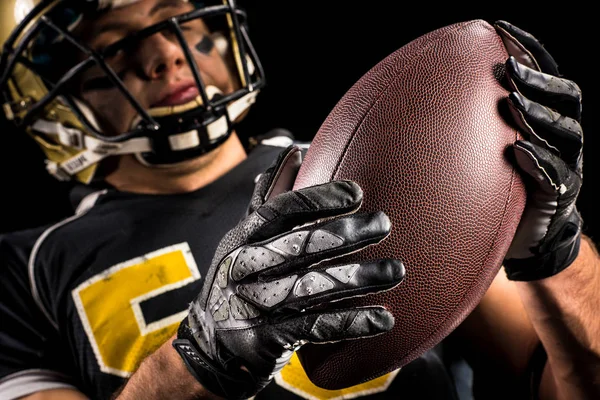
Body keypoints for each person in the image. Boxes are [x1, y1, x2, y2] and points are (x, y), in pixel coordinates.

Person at [0, 1, 597, 400]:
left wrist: (558, 262)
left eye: (177, 21)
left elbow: (570, 384)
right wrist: (200, 359)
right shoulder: (21, 268)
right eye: (115, 48)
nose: (166, 56)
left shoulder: (385, 161)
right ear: (54, 98)